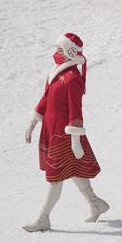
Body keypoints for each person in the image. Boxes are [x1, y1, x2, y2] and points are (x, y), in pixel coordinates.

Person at [23, 33, 108, 232]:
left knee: (56, 177)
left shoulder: (72, 79)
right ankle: (97, 204)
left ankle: (43, 218)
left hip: (65, 137)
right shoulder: (57, 74)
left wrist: (75, 139)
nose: (56, 53)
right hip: (52, 131)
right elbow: (46, 99)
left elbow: (75, 110)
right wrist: (33, 121)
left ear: (70, 52)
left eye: (60, 50)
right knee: (72, 169)